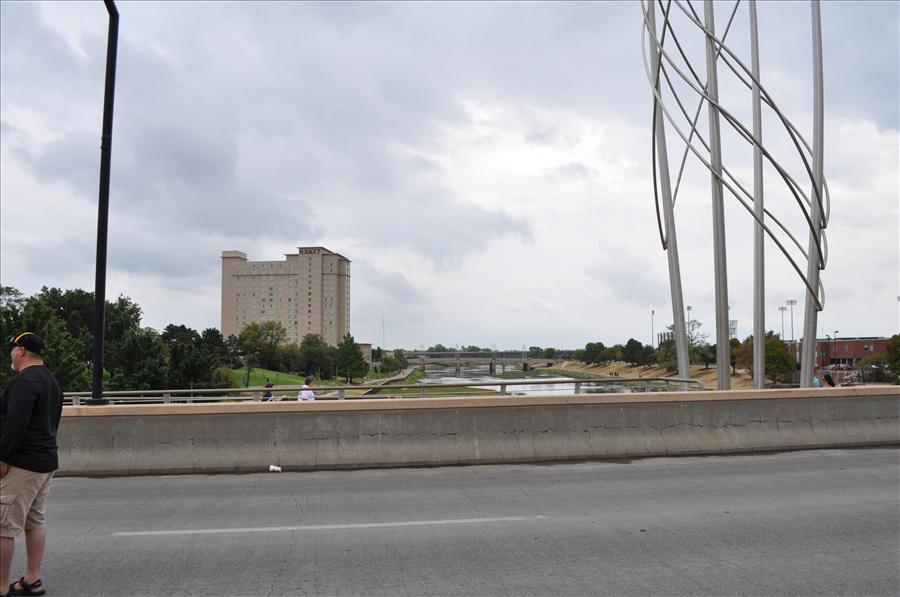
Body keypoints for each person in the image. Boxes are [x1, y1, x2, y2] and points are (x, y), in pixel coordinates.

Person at [1, 332, 64, 597]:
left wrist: (3, 458)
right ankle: (32, 580)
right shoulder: (51, 381)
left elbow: (15, 426)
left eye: (13, 349)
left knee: (3, 526)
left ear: (21, 351)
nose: (11, 354)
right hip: (45, 461)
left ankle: (1, 587)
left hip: (23, 463)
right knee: (34, 521)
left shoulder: (24, 382)